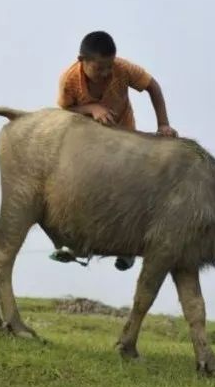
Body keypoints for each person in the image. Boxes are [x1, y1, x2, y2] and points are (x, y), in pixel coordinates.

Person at [54, 30, 178, 271]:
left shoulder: (122, 69)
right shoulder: (69, 80)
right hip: (88, 142)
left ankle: (128, 249)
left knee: (131, 190)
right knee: (81, 189)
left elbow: (153, 87)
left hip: (124, 137)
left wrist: (163, 124)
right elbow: (64, 111)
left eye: (109, 66)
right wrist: (92, 108)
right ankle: (73, 243)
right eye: (100, 68)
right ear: (82, 61)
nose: (106, 73)